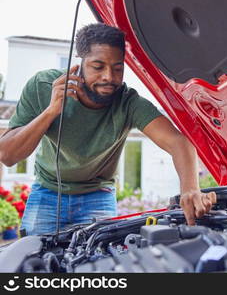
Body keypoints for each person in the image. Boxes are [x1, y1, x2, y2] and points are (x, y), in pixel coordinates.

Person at [0, 23, 216, 235]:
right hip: (47, 192)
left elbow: (178, 142)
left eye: (117, 68)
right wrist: (50, 111)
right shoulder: (43, 86)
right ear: (79, 63)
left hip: (98, 194)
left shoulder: (128, 102)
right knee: (34, 261)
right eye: (98, 66)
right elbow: (7, 155)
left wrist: (190, 190)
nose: (109, 77)